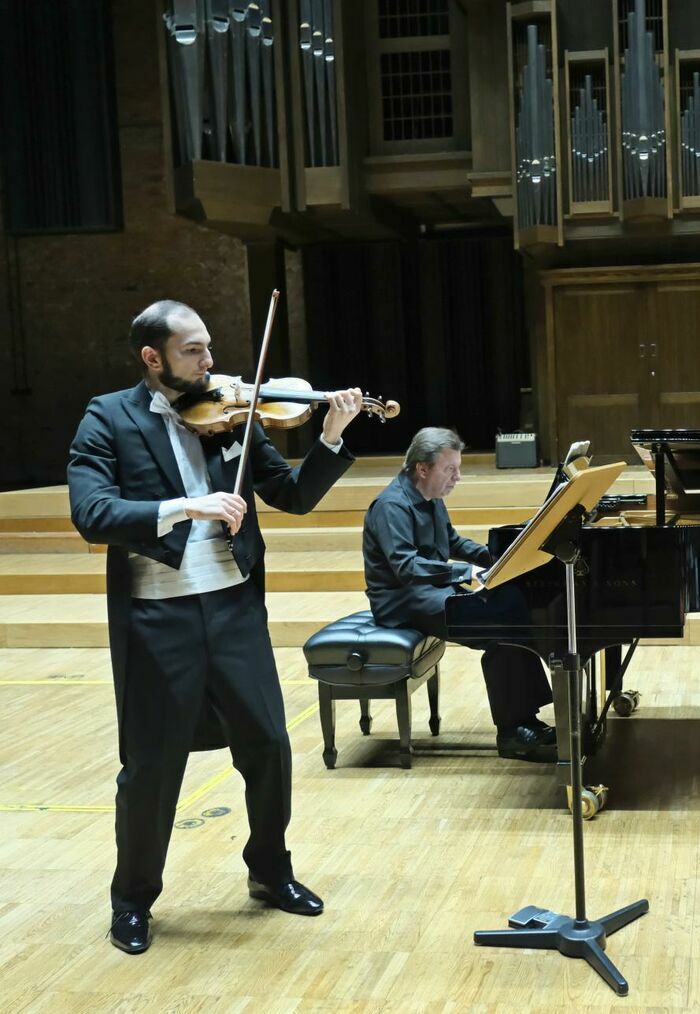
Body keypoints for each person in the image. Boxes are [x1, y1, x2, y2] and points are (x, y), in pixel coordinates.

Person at [68, 300, 363, 955]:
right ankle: (133, 900)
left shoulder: (231, 413)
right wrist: (185, 506)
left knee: (268, 746)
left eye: (208, 347)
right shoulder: (107, 418)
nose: (210, 362)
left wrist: (333, 437)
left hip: (233, 613)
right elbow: (90, 512)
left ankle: (270, 871)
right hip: (157, 621)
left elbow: (291, 494)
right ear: (153, 358)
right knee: (151, 767)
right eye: (193, 352)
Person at [361, 426, 556, 763]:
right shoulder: (391, 506)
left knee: (511, 603)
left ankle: (526, 722)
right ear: (423, 469)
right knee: (501, 620)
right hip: (403, 602)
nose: (458, 477)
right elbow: (406, 568)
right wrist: (466, 572)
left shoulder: (430, 497)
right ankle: (514, 731)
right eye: (450, 469)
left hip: (431, 592)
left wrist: (497, 556)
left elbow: (451, 542)